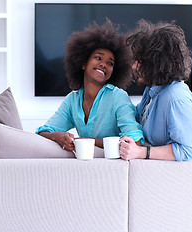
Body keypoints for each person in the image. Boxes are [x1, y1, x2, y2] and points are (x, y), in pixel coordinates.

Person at [36, 19, 144, 151]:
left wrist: (84, 142)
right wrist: (58, 136)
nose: (104, 64)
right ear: (83, 63)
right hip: (86, 166)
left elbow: (135, 141)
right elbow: (42, 133)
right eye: (98, 58)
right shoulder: (72, 100)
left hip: (115, 166)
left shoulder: (118, 97)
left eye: (110, 63)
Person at [120, 19, 192, 161]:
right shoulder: (153, 89)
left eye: (140, 61)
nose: (134, 67)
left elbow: (187, 150)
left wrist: (140, 152)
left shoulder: (176, 98)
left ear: (156, 64)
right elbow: (137, 116)